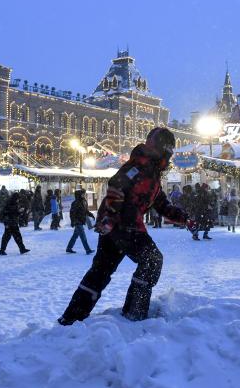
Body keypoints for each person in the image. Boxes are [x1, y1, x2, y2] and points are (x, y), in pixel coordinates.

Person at [58, 127, 191, 325]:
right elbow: (116, 186)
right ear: (160, 148)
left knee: (100, 271)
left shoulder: (152, 173)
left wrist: (184, 218)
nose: (169, 155)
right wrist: (109, 218)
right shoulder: (138, 166)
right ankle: (134, 312)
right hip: (123, 225)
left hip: (119, 227)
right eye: (168, 150)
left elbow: (161, 203)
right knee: (152, 260)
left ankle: (71, 318)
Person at [66, 190, 95, 254]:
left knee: (75, 236)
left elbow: (86, 211)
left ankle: (69, 248)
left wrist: (91, 214)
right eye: (82, 194)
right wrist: (73, 221)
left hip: (81, 220)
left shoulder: (84, 201)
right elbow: (72, 213)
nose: (84, 195)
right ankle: (87, 250)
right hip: (77, 221)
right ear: (79, 195)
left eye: (84, 194)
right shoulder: (75, 203)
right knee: (83, 236)